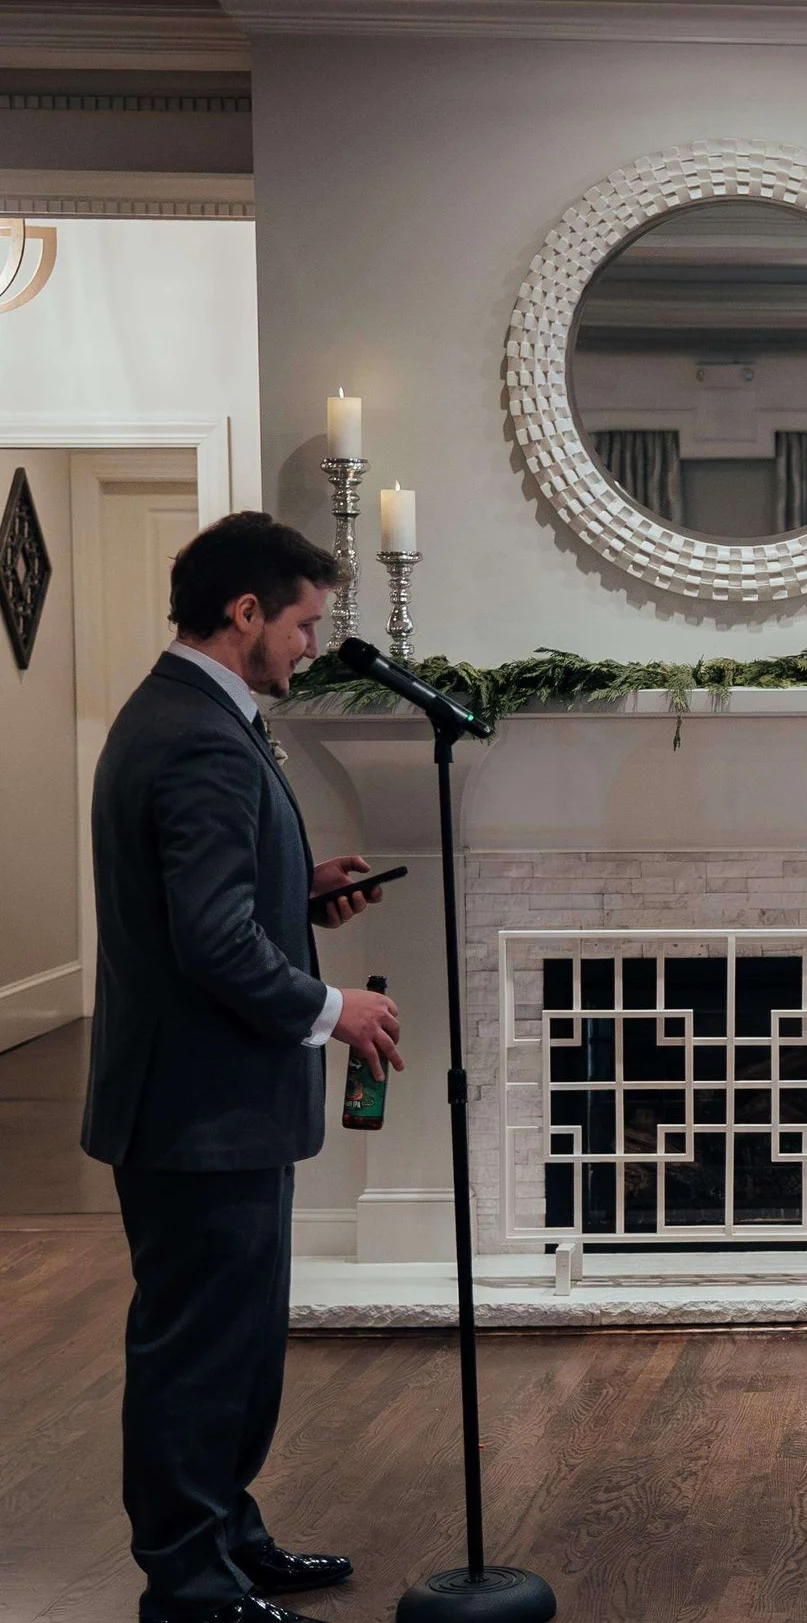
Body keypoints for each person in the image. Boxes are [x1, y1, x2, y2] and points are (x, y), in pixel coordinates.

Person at [83, 512, 406, 1623]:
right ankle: (190, 1581)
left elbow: (210, 902)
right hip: (196, 1107)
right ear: (246, 611)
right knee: (197, 1351)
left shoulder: (195, 716)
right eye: (305, 624)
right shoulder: (199, 735)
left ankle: (227, 1538)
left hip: (213, 1102)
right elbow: (210, 941)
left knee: (236, 1342)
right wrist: (336, 1006)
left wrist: (303, 889)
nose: (311, 646)